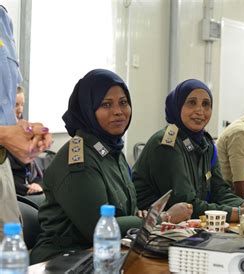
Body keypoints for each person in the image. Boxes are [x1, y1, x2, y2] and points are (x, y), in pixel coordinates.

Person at [30, 69, 192, 264]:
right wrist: (162, 217)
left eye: (123, 103)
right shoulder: (78, 161)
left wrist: (139, 215)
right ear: (88, 109)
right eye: (106, 104)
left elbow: (121, 211)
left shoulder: (111, 151)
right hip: (63, 261)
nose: (118, 111)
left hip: (105, 254)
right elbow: (99, 227)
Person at [133, 79, 244, 222]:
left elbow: (220, 191)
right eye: (191, 103)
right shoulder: (167, 144)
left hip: (189, 224)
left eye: (206, 104)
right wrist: (243, 213)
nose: (200, 111)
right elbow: (188, 205)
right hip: (152, 228)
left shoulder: (204, 142)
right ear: (178, 105)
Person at [0, 5, 52, 240]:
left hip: (2, 166)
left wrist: (26, 130)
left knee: (8, 246)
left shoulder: (3, 18)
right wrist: (3, 134)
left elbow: (5, 107)